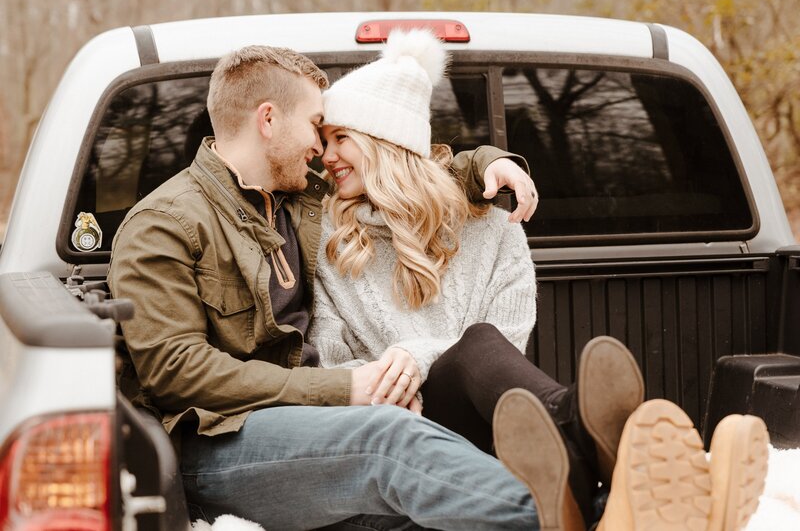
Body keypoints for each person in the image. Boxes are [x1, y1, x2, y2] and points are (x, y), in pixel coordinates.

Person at [308, 29, 770, 531]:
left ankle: (606, 492)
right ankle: (592, 432)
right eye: (323, 140)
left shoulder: (490, 228)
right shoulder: (328, 240)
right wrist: (406, 374)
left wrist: (420, 352)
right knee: (478, 347)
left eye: (340, 139)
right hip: (399, 424)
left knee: (485, 346)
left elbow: (503, 346)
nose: (324, 156)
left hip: (499, 422)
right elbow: (331, 363)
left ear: (386, 142)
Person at [108, 41, 576, 531]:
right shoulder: (166, 223)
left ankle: (587, 457)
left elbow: (397, 165)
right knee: (388, 437)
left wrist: (486, 163)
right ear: (268, 120)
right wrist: (344, 388)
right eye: (315, 125)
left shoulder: (298, 199)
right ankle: (571, 519)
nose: (321, 150)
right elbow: (175, 369)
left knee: (436, 419)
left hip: (314, 426)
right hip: (219, 441)